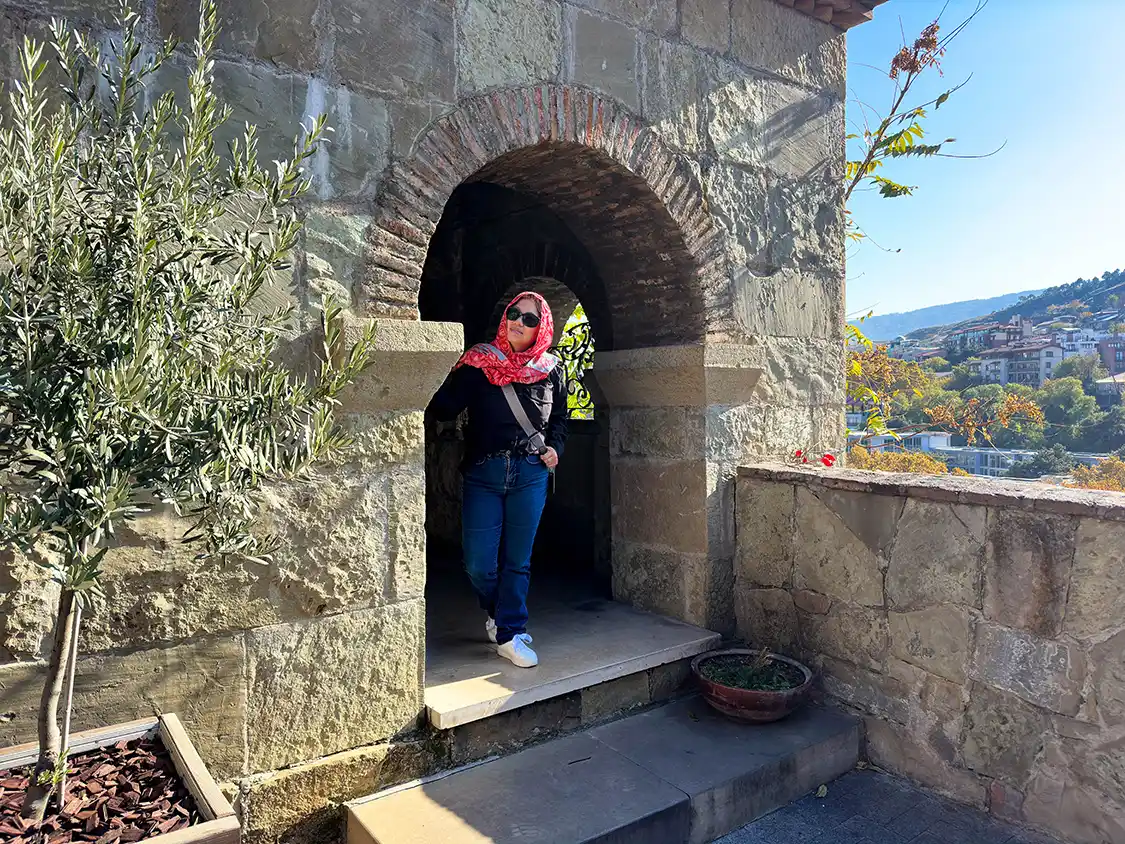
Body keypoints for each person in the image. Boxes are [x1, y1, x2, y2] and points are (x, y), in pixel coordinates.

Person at [428, 292, 568, 668]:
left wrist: (556, 448)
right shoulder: (480, 364)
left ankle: (509, 631)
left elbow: (559, 423)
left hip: (530, 474)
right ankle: (501, 611)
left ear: (543, 329)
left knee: (517, 561)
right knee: (478, 563)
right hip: (484, 473)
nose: (519, 322)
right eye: (514, 314)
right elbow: (442, 407)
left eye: (530, 319)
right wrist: (449, 366)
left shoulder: (552, 368)